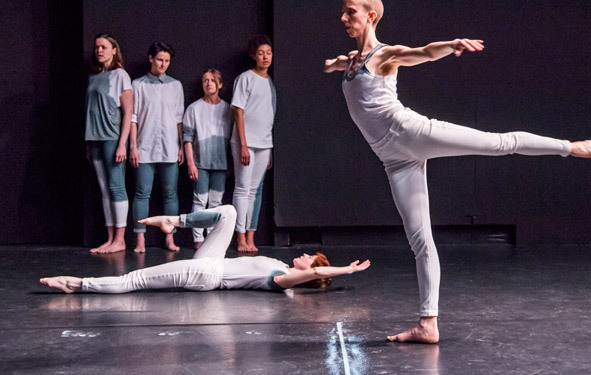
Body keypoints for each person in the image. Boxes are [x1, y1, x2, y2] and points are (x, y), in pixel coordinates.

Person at [324, 0, 591, 343]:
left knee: (499, 143)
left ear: (370, 16)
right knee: (420, 241)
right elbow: (344, 65)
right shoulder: (353, 59)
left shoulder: (385, 55)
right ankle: (428, 324)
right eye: (342, 11)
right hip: (393, 159)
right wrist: (337, 64)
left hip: (413, 132)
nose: (342, 18)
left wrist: (450, 45)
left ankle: (571, 147)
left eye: (349, 12)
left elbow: (422, 53)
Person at [40, 205, 371, 294]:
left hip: (206, 274)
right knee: (229, 213)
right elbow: (313, 270)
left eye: (308, 257)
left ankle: (77, 284)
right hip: (213, 262)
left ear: (307, 270)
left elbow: (315, 272)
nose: (304, 255)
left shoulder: (282, 279)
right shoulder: (280, 266)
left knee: (135, 280)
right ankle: (176, 220)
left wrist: (345, 270)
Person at [130, 41, 184, 253]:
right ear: (151, 58)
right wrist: (133, 146)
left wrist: (180, 146)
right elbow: (133, 117)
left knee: (170, 194)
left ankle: (169, 239)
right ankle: (140, 240)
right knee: (142, 193)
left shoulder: (175, 85)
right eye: (160, 60)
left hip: (170, 147)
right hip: (145, 146)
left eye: (167, 61)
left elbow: (179, 118)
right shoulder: (138, 85)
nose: (163, 64)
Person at [85, 33, 133, 254]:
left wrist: (123, 143)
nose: (99, 50)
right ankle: (111, 238)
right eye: (97, 47)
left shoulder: (120, 75)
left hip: (112, 138)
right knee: (105, 190)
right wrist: (88, 142)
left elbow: (128, 112)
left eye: (104, 47)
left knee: (116, 187)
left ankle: (120, 240)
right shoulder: (94, 77)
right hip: (94, 138)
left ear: (114, 50)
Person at [230, 35, 276, 252]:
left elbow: (268, 116)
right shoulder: (245, 78)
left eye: (268, 53)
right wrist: (243, 144)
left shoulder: (270, 83)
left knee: (256, 191)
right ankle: (240, 239)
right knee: (242, 188)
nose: (265, 57)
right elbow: (238, 111)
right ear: (253, 55)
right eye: (261, 53)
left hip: (264, 144)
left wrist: (270, 147)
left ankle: (250, 237)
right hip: (245, 143)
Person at [183, 69, 233, 249]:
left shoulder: (228, 109)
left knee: (215, 202)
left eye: (213, 80)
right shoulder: (194, 108)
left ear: (220, 84)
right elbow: (187, 139)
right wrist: (191, 164)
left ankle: (212, 238)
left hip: (220, 163)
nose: (209, 83)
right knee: (199, 200)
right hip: (200, 162)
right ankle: (198, 239)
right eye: (205, 80)